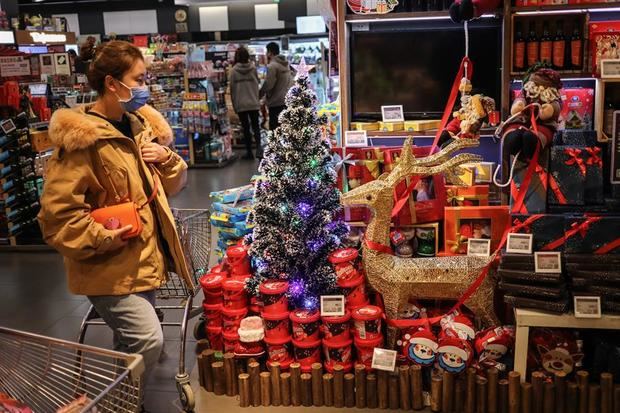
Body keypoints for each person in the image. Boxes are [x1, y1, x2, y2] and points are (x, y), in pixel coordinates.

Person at [37, 40, 190, 378]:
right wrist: (104, 236)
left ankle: (126, 401)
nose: (144, 87)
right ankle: (115, 399)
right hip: (108, 266)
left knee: (131, 344)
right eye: (138, 79)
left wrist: (167, 159)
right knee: (149, 339)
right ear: (112, 83)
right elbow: (56, 216)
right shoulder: (82, 141)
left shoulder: (140, 126)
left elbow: (171, 187)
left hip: (144, 258)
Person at [230, 46, 262, 159]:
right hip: (253, 102)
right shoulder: (253, 68)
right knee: (256, 126)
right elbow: (257, 83)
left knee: (246, 128)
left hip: (241, 104)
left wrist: (234, 106)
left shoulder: (233, 71)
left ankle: (249, 153)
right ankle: (259, 148)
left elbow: (232, 90)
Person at [259, 42, 292, 131]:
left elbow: (269, 84)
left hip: (275, 102)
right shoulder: (286, 64)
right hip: (286, 101)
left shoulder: (272, 66)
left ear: (270, 52)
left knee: (275, 131)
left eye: (267, 52)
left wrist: (260, 94)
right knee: (285, 129)